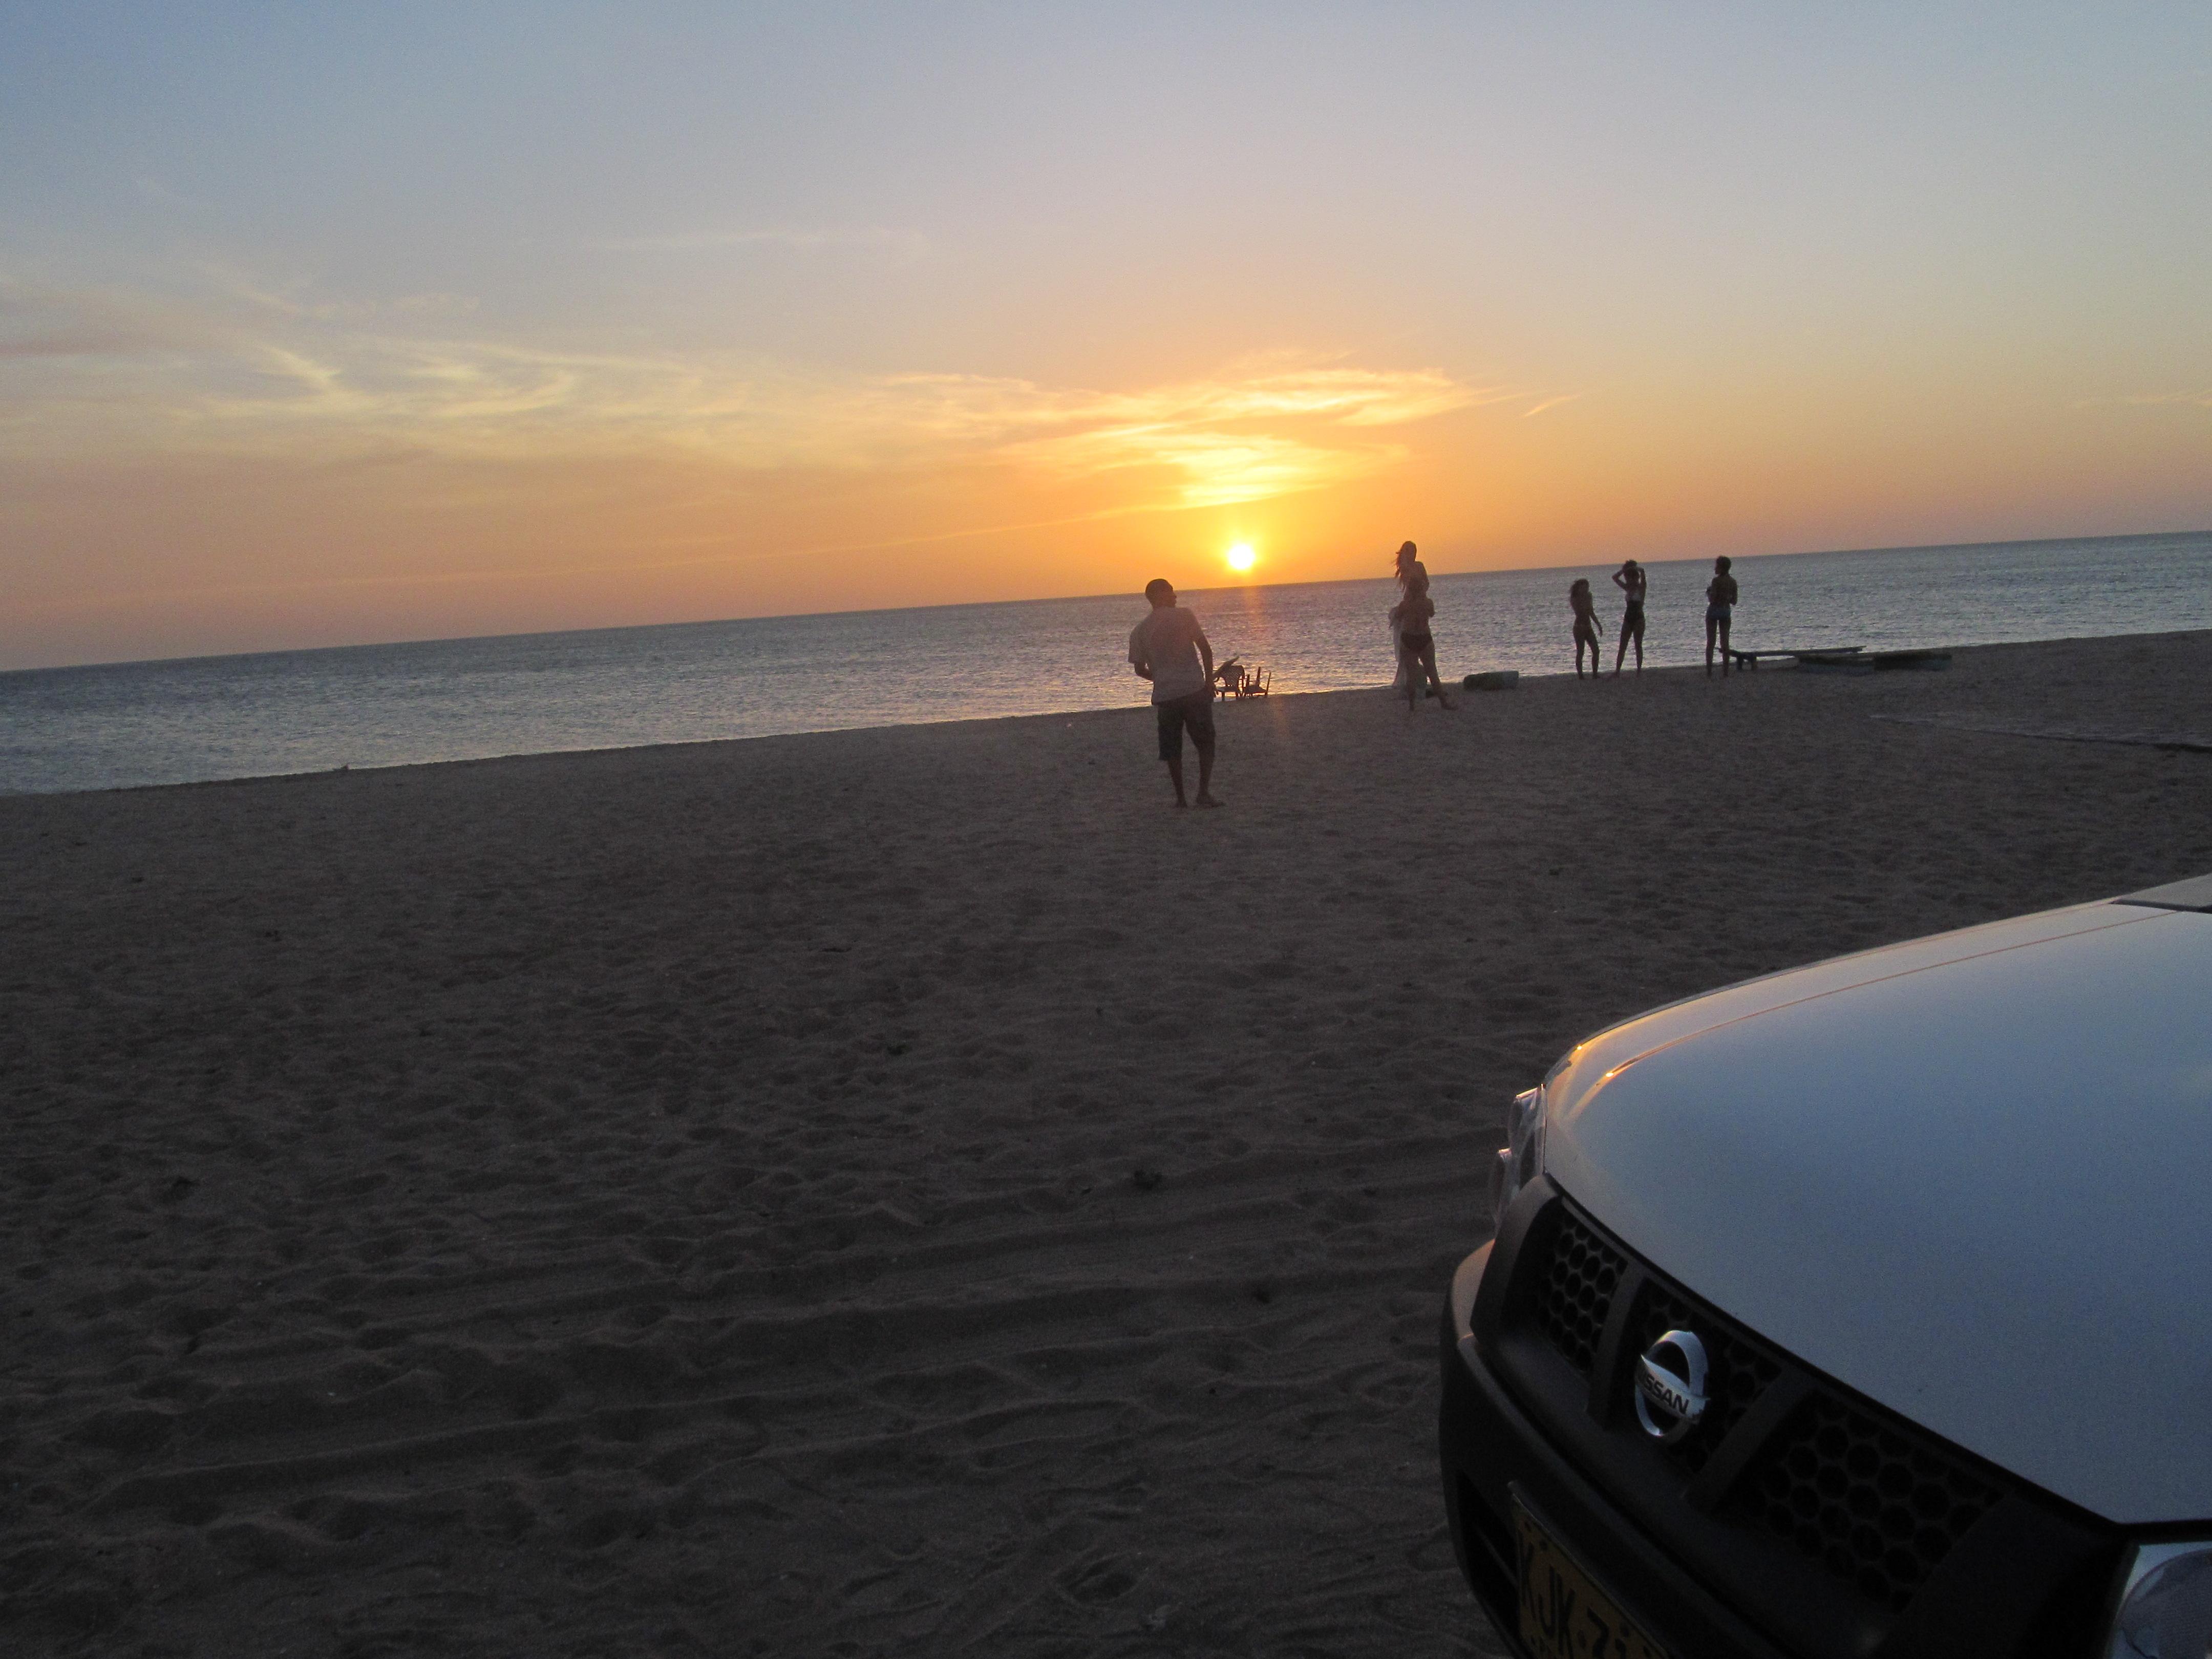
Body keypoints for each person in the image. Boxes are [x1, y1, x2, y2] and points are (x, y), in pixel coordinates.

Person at [1128, 578, 1220, 807]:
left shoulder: (1140, 631)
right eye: (1171, 593)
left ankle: (1181, 799)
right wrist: (1209, 681)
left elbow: (1140, 669)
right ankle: (1203, 793)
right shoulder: (1185, 616)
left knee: (1172, 748)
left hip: (1166, 696)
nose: (1176, 597)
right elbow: (1206, 651)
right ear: (1160, 596)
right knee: (1206, 742)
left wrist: (1159, 677)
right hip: (1193, 690)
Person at [1390, 541, 1456, 713]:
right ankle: (1416, 706)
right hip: (1414, 633)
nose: (1412, 554)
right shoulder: (1407, 571)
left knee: (1429, 672)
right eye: (1409, 551)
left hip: (1419, 633)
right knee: (1419, 673)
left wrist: (1420, 595)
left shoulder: (1419, 568)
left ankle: (1425, 705)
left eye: (1413, 551)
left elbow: (1425, 584)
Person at [1610, 559, 1647, 676]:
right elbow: (1615, 578)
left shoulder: (1641, 588)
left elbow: (1643, 574)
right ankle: (1617, 671)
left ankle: (1639, 671)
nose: (1630, 581)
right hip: (1628, 617)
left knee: (1638, 645)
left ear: (1636, 578)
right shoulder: (1628, 588)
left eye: (1632, 578)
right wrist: (1624, 570)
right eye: (1628, 578)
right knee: (1623, 645)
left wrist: (1638, 570)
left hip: (1639, 618)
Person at [1705, 556, 1739, 678]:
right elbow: (1734, 601)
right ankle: (1725, 672)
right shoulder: (1733, 582)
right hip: (1726, 611)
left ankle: (1709, 671)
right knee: (1725, 642)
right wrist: (1726, 597)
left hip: (1714, 611)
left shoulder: (1716, 581)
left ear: (1721, 567)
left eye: (1717, 566)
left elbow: (1713, 599)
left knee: (1711, 642)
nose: (1715, 568)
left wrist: (1709, 593)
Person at [1569, 578, 1603, 679]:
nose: (1586, 589)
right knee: (1581, 651)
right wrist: (1584, 599)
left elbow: (1591, 612)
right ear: (1579, 588)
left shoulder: (1589, 596)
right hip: (1579, 628)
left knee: (1596, 650)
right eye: (1584, 587)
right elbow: (1580, 611)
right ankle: (1581, 675)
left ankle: (1595, 674)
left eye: (1587, 587)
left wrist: (1598, 625)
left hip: (1588, 627)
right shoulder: (1575, 598)